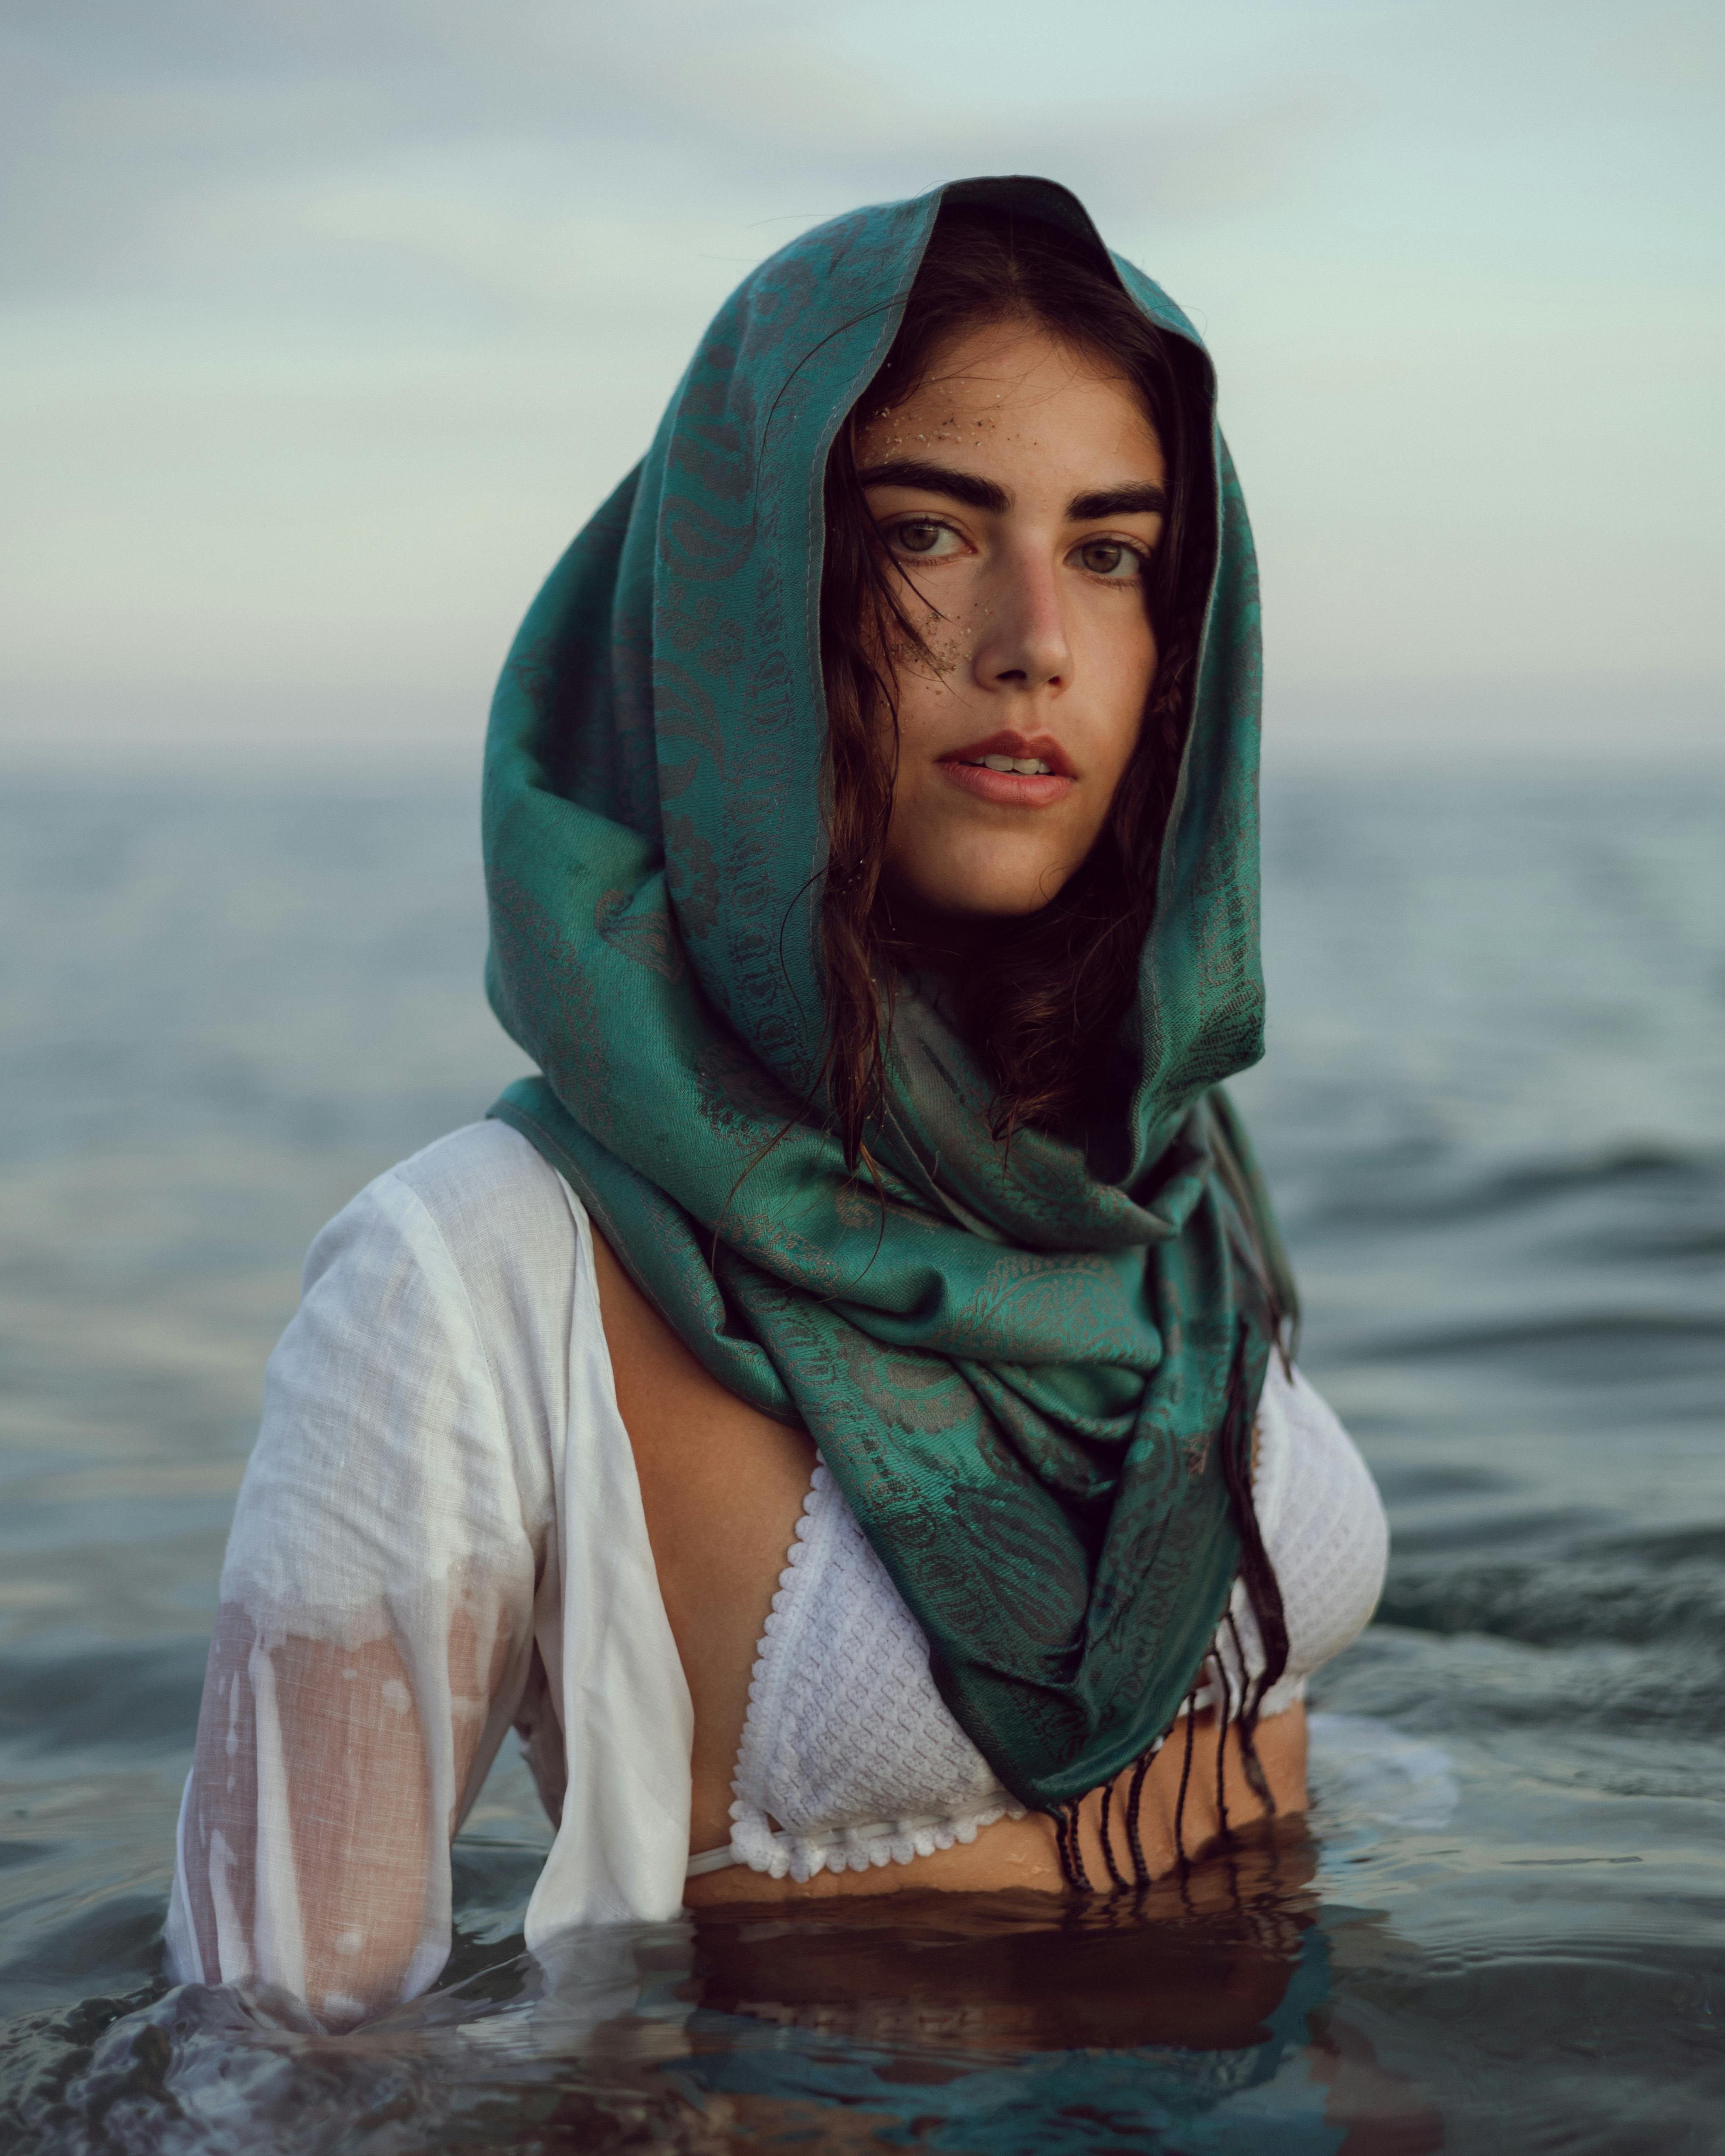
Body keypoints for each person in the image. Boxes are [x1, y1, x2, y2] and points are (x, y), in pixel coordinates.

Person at [165, 176, 1387, 2032]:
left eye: (1116, 549)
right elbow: (275, 2067)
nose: (1035, 637)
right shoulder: (474, 1271)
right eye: (926, 534)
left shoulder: (1158, 1177)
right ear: (747, 603)